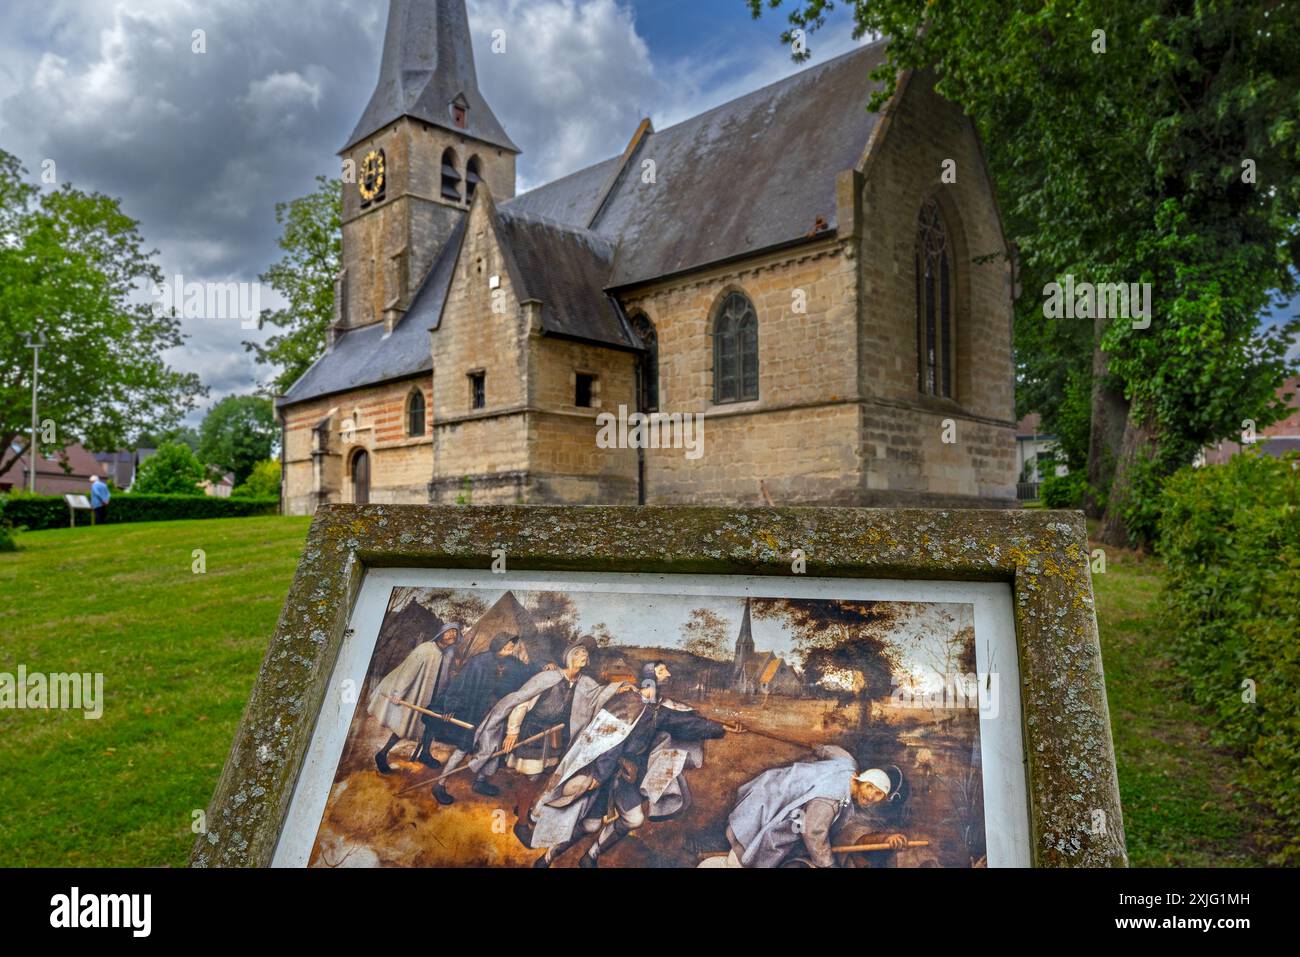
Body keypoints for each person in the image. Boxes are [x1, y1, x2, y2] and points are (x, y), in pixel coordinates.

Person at [526, 661, 744, 868]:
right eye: (662, 671)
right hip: (603, 770)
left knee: (634, 819)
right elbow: (610, 740)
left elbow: (688, 724)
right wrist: (599, 775)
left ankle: (592, 855)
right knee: (589, 824)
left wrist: (721, 729)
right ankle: (548, 857)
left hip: (627, 774)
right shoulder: (627, 701)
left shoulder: (659, 709)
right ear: (650, 678)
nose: (667, 674)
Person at [705, 745, 908, 868]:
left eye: (879, 794)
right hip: (769, 804)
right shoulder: (830, 799)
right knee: (750, 852)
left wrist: (817, 749)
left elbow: (828, 750)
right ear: (862, 781)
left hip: (773, 789)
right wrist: (828, 865)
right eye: (870, 788)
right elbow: (813, 833)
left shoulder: (847, 764)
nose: (872, 796)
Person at [429, 632, 542, 804]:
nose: (509, 651)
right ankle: (440, 784)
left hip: (497, 714)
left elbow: (529, 671)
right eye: (506, 647)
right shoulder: (478, 662)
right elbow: (460, 683)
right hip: (474, 713)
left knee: (493, 748)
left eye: (511, 648)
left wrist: (545, 665)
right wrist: (450, 705)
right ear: (497, 646)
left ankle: (481, 781)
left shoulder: (513, 664)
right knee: (463, 748)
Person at [367, 622, 461, 774]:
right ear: (440, 633)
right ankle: (382, 754)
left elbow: (448, 676)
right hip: (418, 694)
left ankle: (425, 754)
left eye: (455, 633)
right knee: (405, 726)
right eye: (449, 632)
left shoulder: (449, 654)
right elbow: (407, 673)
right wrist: (398, 693)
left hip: (436, 698)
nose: (452, 635)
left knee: (431, 725)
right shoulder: (424, 649)